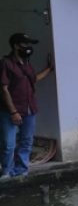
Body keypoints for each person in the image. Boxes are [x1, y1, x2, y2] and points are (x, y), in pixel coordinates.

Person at [0, 33, 53, 178]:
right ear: (16, 45)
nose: (29, 48)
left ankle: (21, 171)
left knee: (26, 142)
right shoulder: (6, 63)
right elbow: (3, 89)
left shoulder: (27, 63)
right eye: (25, 44)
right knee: (8, 145)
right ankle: (6, 173)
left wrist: (49, 69)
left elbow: (33, 79)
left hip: (29, 108)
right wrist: (13, 112)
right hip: (9, 111)